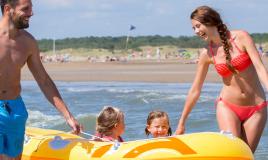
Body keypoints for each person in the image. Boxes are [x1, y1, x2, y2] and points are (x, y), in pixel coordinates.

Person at [175, 6, 268, 153]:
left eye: (198, 26)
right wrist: (182, 123)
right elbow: (195, 89)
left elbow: (260, 68)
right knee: (234, 153)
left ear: (210, 21)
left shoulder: (241, 37)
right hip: (228, 107)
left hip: (257, 108)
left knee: (247, 154)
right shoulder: (207, 53)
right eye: (193, 28)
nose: (196, 32)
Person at [0, 0, 82, 159]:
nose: (31, 13)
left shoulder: (28, 42)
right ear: (8, 9)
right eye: (25, 9)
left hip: (15, 110)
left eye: (31, 8)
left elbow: (43, 80)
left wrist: (68, 116)